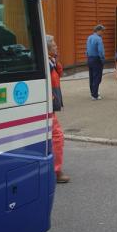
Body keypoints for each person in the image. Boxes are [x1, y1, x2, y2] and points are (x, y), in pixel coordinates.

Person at [46, 35, 70, 183]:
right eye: (54, 45)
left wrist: (57, 60)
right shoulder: (46, 63)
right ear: (47, 47)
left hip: (50, 106)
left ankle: (52, 168)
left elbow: (59, 74)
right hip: (48, 106)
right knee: (57, 136)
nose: (56, 46)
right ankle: (56, 171)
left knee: (52, 136)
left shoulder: (51, 62)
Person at [86, 24, 105, 100]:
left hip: (89, 58)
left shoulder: (89, 37)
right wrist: (103, 59)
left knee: (92, 77)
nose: (103, 32)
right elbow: (101, 51)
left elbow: (87, 49)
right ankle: (95, 95)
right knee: (97, 77)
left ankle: (93, 92)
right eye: (102, 31)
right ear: (98, 31)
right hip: (97, 59)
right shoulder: (99, 39)